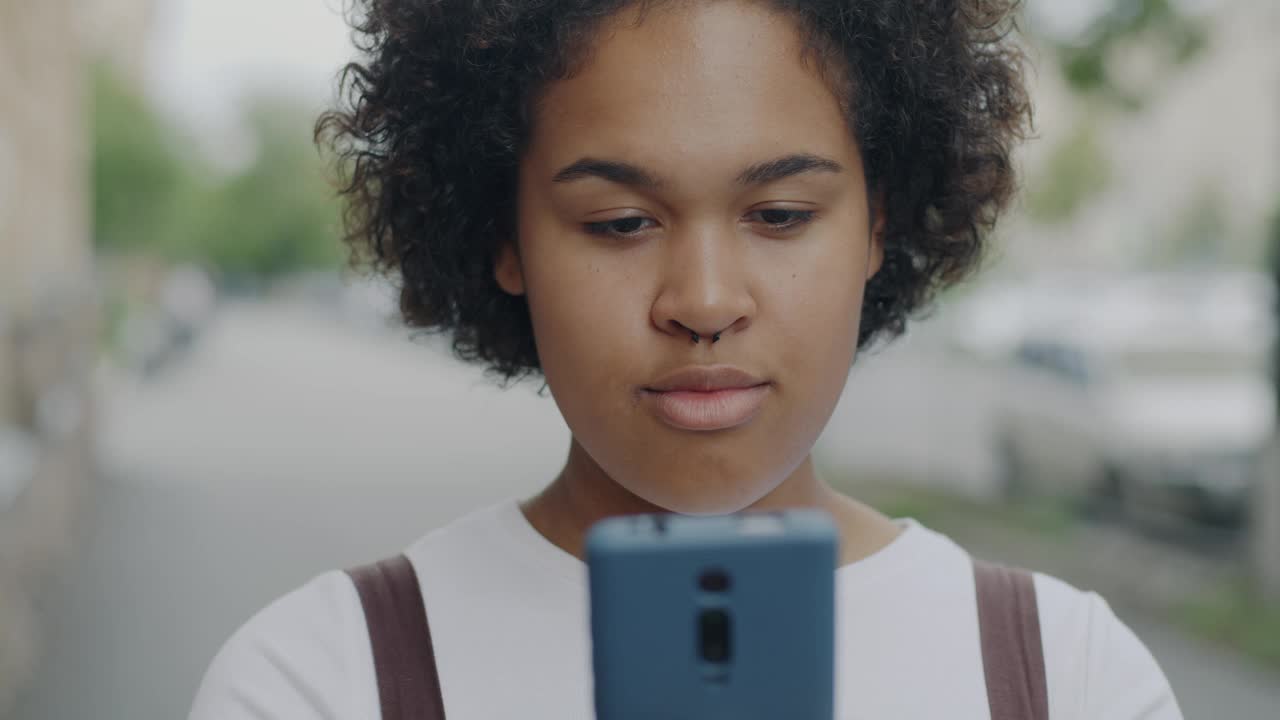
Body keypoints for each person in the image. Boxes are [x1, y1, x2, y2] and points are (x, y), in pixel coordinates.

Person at [189, 0, 1183, 717]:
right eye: (619, 221)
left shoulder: (1066, 677)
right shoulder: (318, 681)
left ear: (877, 224)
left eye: (781, 215)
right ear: (506, 238)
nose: (704, 302)